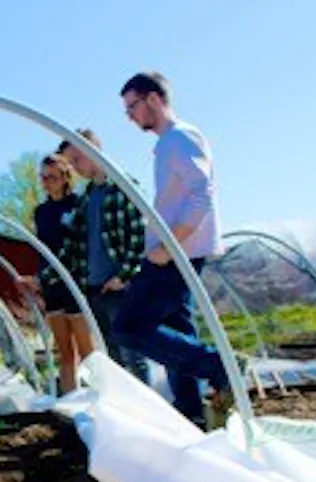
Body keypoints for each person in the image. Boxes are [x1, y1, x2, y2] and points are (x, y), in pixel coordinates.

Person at [115, 72, 232, 427]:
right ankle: (190, 410)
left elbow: (201, 195)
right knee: (177, 331)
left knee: (129, 326)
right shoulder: (167, 144)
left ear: (153, 98)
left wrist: (169, 247)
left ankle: (219, 365)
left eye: (132, 107)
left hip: (176, 255)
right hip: (173, 252)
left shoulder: (180, 137)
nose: (130, 117)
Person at [59, 129, 150, 384]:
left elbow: (141, 235)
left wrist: (124, 276)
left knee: (133, 354)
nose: (75, 168)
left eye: (77, 159)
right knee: (113, 357)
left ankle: (146, 405)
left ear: (93, 150)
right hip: (96, 286)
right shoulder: (87, 197)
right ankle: (124, 405)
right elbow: (75, 245)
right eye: (71, 162)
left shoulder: (123, 186)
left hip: (120, 286)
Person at [21, 153, 92, 394]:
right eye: (43, 177)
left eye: (52, 177)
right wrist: (39, 280)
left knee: (88, 351)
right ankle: (69, 398)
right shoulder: (41, 212)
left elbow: (77, 247)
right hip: (51, 286)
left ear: (64, 177)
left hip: (76, 282)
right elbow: (41, 251)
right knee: (64, 352)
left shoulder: (79, 204)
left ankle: (98, 397)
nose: (47, 182)